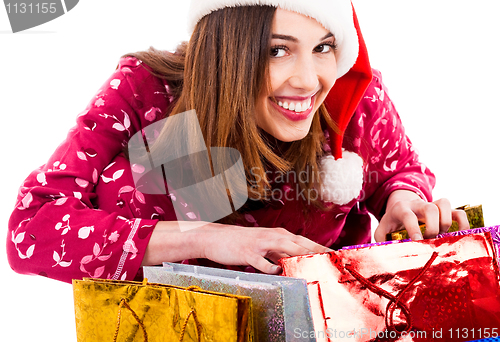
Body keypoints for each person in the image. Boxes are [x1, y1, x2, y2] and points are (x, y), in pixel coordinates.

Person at [7, 0, 469, 284]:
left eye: (324, 47)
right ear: (226, 49)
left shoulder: (351, 98)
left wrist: (405, 199)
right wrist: (208, 239)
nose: (309, 80)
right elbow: (30, 231)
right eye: (277, 49)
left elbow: (399, 171)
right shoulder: (146, 91)